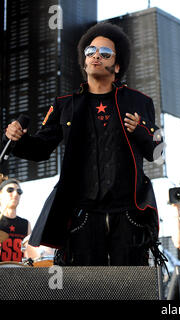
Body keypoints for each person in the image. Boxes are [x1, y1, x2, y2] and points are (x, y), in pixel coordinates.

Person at [2, 23, 163, 266]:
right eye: (91, 51)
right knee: (84, 286)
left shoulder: (139, 101)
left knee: (132, 286)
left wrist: (141, 130)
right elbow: (39, 150)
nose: (97, 55)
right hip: (81, 213)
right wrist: (16, 139)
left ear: (117, 66)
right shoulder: (66, 104)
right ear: (84, 60)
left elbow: (157, 153)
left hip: (128, 213)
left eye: (106, 53)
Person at [0, 174, 33, 263]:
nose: (15, 194)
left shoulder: (26, 224)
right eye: (10, 190)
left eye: (19, 191)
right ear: (0, 194)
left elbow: (30, 255)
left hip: (18, 274)